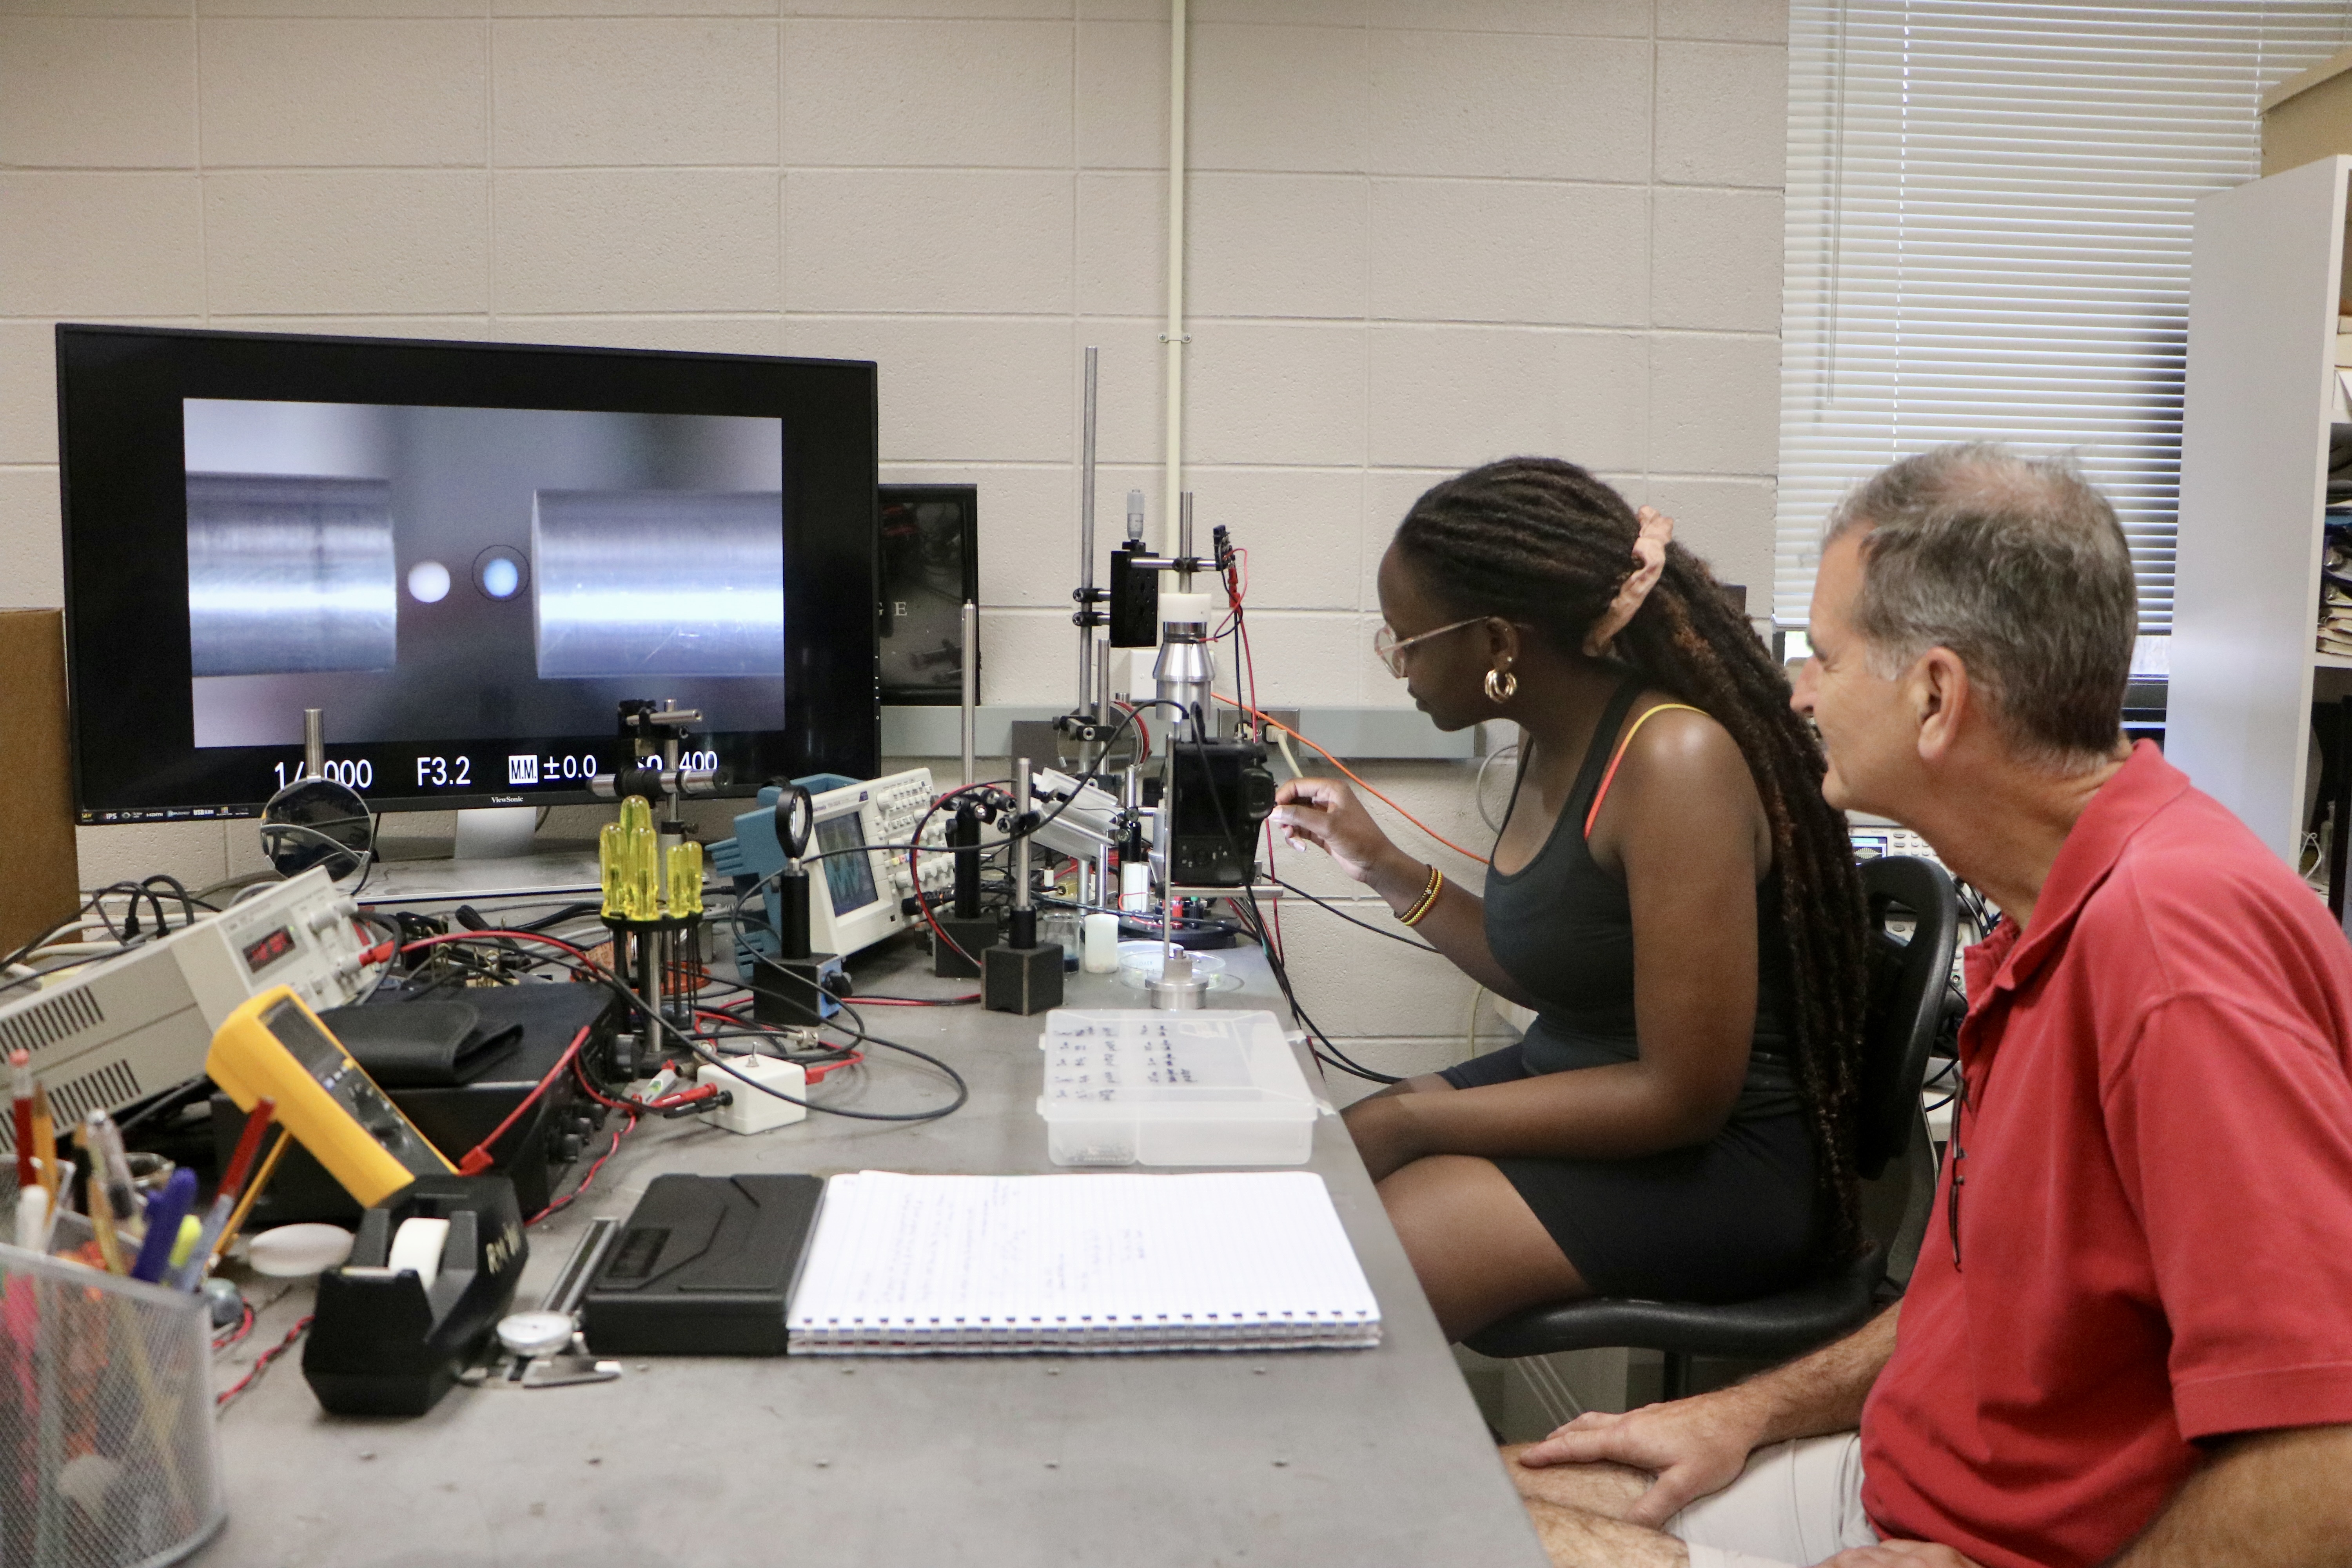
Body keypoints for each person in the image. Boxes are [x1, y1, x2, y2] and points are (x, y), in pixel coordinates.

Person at [1506, 443, 2352, 1568]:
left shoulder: (2173, 952)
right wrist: (1741, 1414)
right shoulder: (2048, 911)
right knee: (1438, 1489)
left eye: (1828, 655)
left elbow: (2330, 1462)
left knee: (1430, 1532)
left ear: (1937, 696)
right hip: (1895, 1483)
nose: (1800, 688)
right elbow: (1990, 1296)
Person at [1270, 457, 1872, 1342]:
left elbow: (1684, 1095)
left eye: (1408, 639)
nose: (1399, 664)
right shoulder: (1553, 739)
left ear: (1499, 644)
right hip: (1589, 1088)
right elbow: (1546, 968)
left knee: (1349, 1265)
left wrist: (1414, 1116)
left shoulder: (1673, 762)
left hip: (1724, 1159)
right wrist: (1382, 865)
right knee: (1324, 1175)